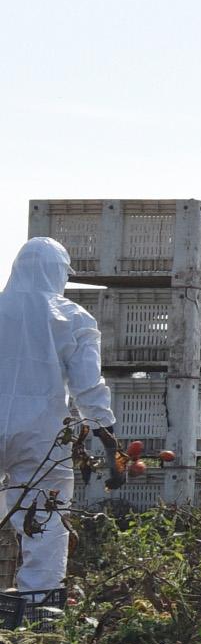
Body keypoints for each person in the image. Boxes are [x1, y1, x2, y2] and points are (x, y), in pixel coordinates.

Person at [0, 237, 118, 598]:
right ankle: (39, 609)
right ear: (58, 273)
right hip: (42, 433)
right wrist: (109, 444)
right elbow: (88, 387)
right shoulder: (73, 317)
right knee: (47, 520)